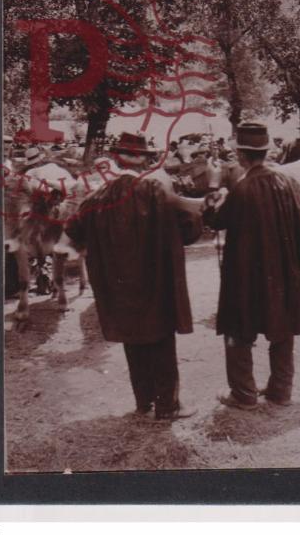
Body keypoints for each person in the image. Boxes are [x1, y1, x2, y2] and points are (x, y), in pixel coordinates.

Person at [64, 132, 203, 420]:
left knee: (133, 339)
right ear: (142, 160)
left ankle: (143, 402)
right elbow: (190, 224)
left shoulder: (98, 196)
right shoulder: (155, 189)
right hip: (155, 280)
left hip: (119, 284)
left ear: (117, 158)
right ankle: (168, 406)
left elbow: (73, 229)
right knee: (161, 340)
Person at [203, 123, 300, 409]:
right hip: (284, 271)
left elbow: (215, 221)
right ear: (266, 151)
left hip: (248, 273)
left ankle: (243, 394)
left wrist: (213, 188)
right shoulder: (289, 181)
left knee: (237, 328)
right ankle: (281, 391)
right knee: (282, 327)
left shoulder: (242, 189)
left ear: (242, 156)